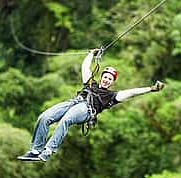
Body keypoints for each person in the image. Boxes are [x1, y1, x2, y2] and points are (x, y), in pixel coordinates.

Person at [17, 49, 165, 162]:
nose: (107, 80)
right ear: (102, 77)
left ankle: (48, 151)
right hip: (74, 102)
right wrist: (91, 54)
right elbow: (85, 68)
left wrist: (151, 89)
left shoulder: (112, 96)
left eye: (110, 79)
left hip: (86, 109)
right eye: (105, 77)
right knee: (44, 117)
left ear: (112, 82)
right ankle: (35, 151)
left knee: (66, 120)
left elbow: (131, 92)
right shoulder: (90, 83)